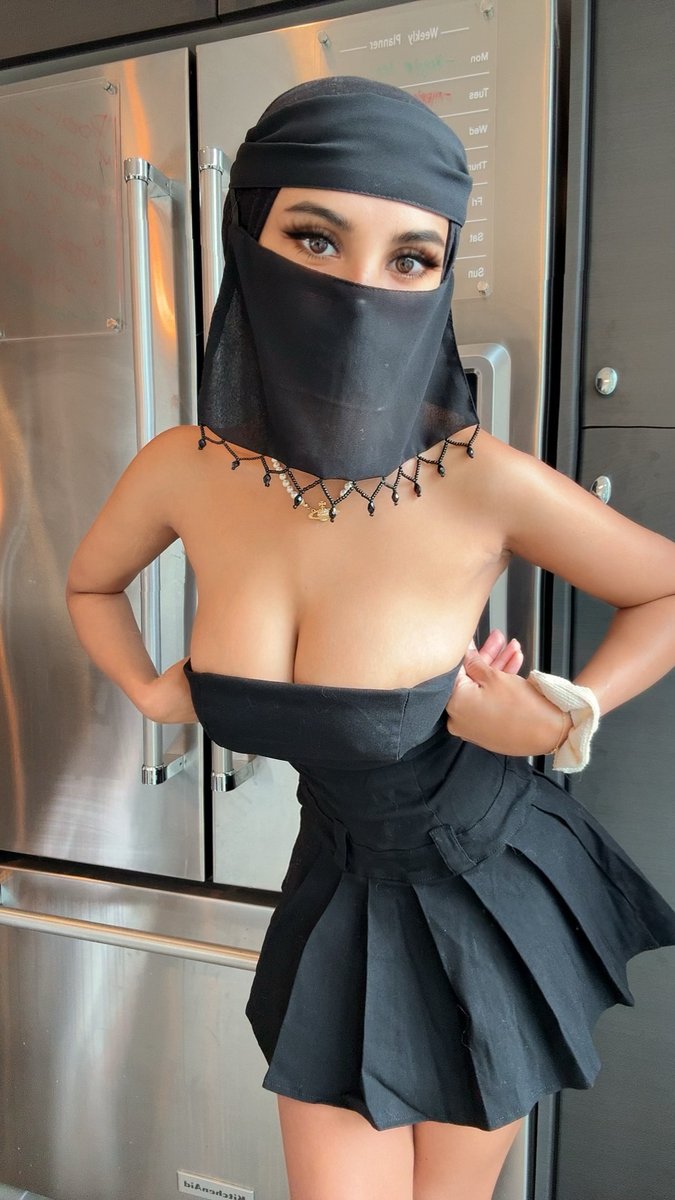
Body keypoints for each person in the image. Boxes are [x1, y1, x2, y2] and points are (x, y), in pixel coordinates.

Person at [65, 77, 675, 1200]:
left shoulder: (482, 482)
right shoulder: (181, 471)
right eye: (316, 237)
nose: (357, 288)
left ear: (439, 277)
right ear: (248, 234)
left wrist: (562, 713)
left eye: (409, 257)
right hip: (335, 881)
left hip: (485, 886)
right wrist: (153, 694)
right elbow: (89, 585)